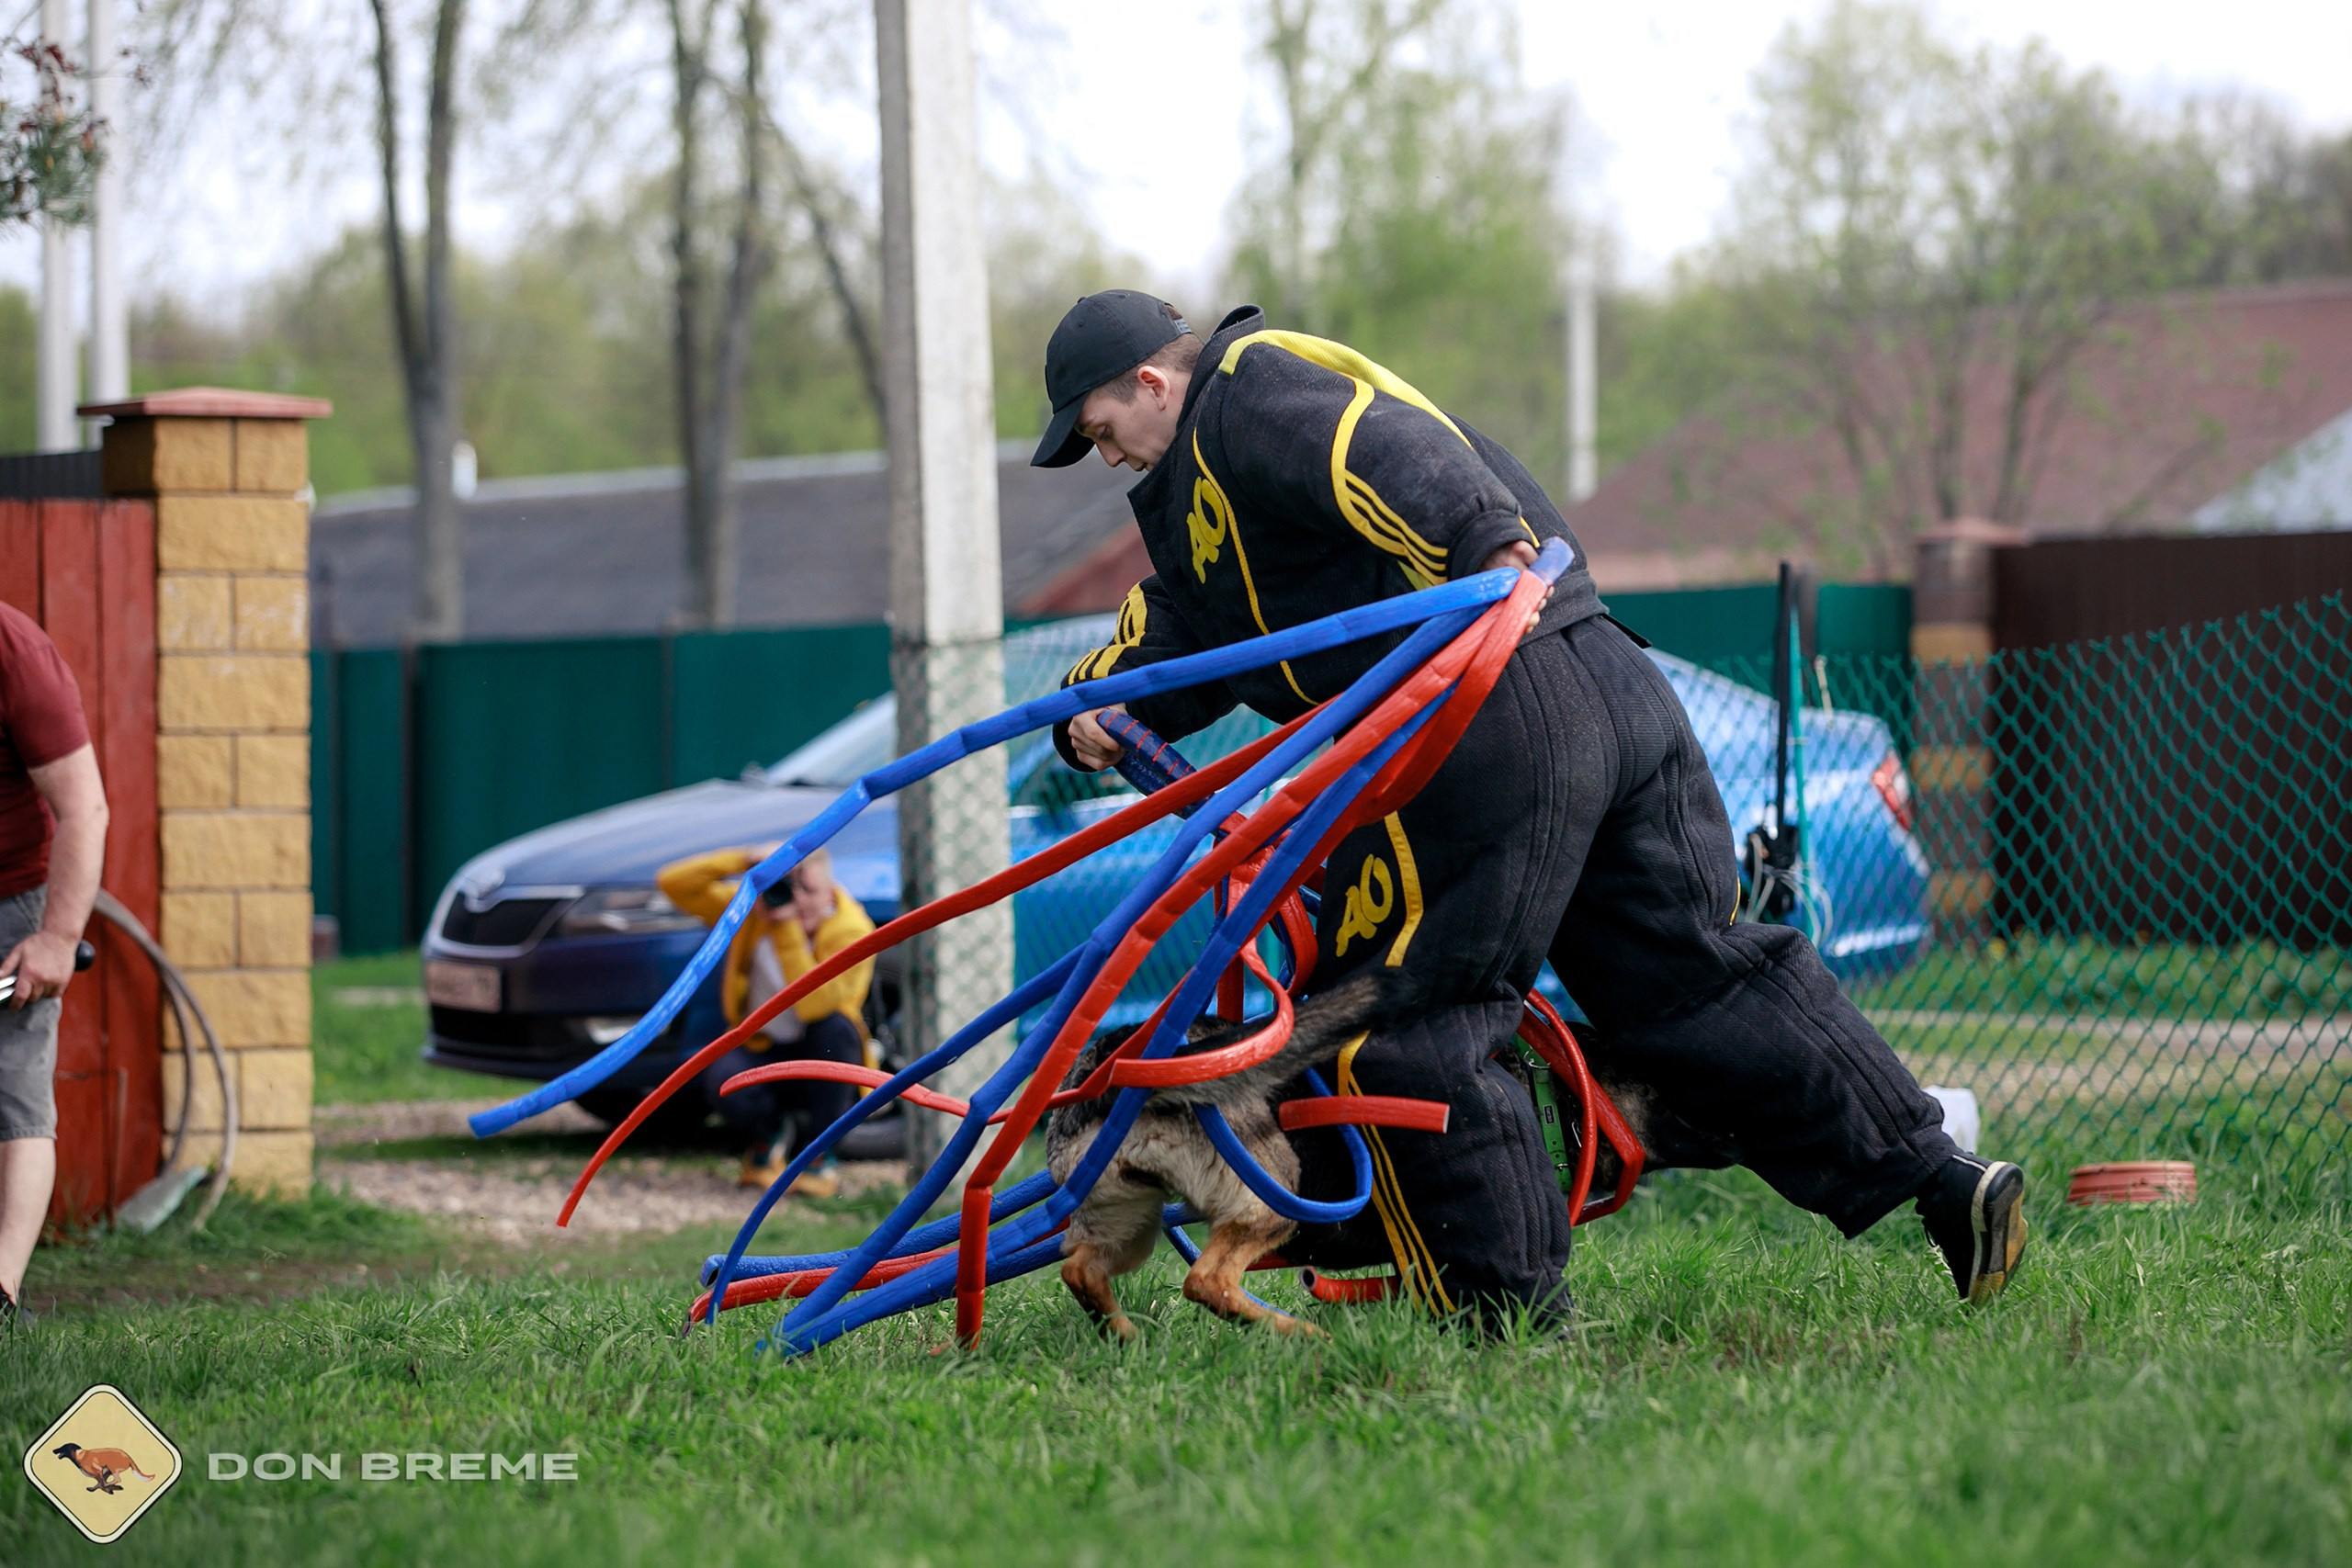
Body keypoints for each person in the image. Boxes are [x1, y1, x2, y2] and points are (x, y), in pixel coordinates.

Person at [1030, 289, 2027, 1322]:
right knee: (1694, 974)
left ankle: (1502, 1317)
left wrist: (1483, 543)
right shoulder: (1206, 487)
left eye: (1101, 431)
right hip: (1608, 683)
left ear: (1152, 381)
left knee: (1404, 1010)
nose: (1107, 458)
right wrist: (1097, 709)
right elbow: (1199, 619)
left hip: (1482, 701)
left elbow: (1374, 445)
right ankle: (1942, 1179)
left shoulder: (1250, 388)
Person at [1, 604, 109, 1329]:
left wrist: (57, 936)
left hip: (11, 898)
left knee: (15, 1095)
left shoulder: (14, 653)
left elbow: (84, 807)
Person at [657, 844, 875, 1196]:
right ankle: (768, 1135)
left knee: (837, 1030)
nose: (799, 900)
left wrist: (785, 926)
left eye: (810, 891)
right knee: (721, 1079)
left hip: (818, 1050)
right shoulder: (757, 911)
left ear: (832, 888)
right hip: (763, 1044)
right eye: (791, 887)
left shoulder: (851, 929)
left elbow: (813, 1006)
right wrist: (747, 861)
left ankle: (819, 1153)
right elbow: (674, 883)